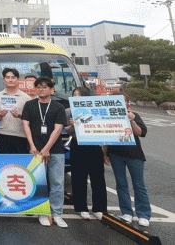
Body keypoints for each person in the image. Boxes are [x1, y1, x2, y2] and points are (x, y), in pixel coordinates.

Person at [21, 77, 67, 228]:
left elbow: (58, 129)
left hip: (56, 150)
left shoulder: (58, 107)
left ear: (51, 90)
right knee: (39, 182)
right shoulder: (29, 105)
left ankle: (57, 213)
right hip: (35, 151)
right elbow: (26, 125)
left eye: (44, 87)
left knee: (57, 182)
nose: (41, 89)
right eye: (38, 87)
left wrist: (47, 148)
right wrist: (32, 146)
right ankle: (42, 212)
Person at [66, 87, 107, 221]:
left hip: (94, 145)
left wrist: (105, 152)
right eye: (74, 94)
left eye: (79, 94)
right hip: (77, 145)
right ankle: (81, 208)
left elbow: (103, 126)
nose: (76, 96)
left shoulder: (95, 109)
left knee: (98, 178)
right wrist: (73, 125)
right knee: (78, 177)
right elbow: (66, 130)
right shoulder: (68, 111)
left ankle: (99, 207)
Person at [106, 109, 151, 226]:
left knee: (139, 184)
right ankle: (126, 212)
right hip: (115, 154)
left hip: (134, 154)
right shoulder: (109, 115)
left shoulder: (134, 115)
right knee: (121, 184)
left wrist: (132, 121)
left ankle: (144, 214)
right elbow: (106, 133)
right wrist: (105, 153)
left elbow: (141, 133)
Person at [0, 68, 31, 154]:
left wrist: (20, 116)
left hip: (21, 135)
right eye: (8, 77)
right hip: (3, 134)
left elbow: (30, 118)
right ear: (4, 79)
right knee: (4, 161)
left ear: (18, 80)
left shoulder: (26, 98)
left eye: (13, 77)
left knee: (21, 161)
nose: (10, 80)